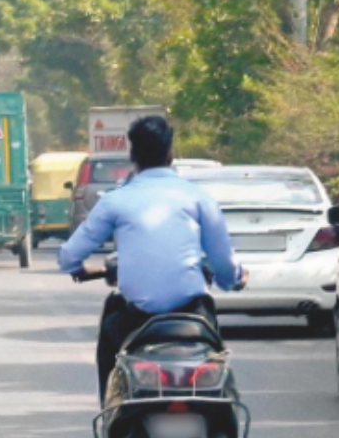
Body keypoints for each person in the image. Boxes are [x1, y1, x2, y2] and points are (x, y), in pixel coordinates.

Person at [57, 116, 246, 400]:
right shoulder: (198, 198)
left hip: (134, 321)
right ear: (170, 153)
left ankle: (112, 412)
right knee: (217, 365)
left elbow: (69, 256)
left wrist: (80, 268)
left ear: (133, 155)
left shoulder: (117, 200)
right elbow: (224, 266)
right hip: (193, 316)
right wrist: (234, 279)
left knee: (110, 344)